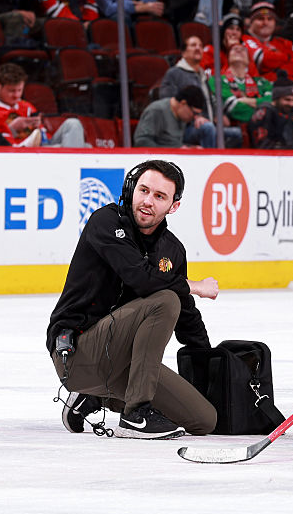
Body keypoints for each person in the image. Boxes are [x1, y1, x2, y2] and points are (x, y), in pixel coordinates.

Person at [48, 159, 219, 439]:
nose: (148, 201)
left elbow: (187, 316)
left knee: (204, 420)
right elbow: (141, 278)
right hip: (78, 353)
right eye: (143, 190)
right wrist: (195, 286)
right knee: (166, 300)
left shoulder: (172, 250)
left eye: (159, 196)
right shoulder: (105, 222)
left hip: (123, 364)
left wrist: (209, 361)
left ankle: (93, 398)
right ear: (131, 190)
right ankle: (135, 413)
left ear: (173, 206)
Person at [0, 63, 86, 147]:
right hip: (19, 153)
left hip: (43, 148)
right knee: (80, 147)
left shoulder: (26, 106)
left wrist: (39, 128)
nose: (16, 95)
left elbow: (45, 137)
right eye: (12, 91)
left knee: (73, 124)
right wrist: (12, 129)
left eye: (19, 90)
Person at [242, 1, 293, 83]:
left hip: (287, 89)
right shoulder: (244, 40)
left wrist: (272, 74)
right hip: (258, 89)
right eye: (260, 19)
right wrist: (287, 58)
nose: (265, 23)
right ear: (251, 22)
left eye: (270, 19)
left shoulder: (284, 43)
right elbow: (264, 60)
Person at [133, 85, 199, 148]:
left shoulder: (181, 114)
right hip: (158, 157)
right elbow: (141, 142)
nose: (195, 117)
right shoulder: (157, 111)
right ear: (183, 103)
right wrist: (172, 150)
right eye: (194, 113)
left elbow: (176, 144)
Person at [248, 78, 293, 149]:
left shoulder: (285, 112)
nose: (292, 104)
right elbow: (263, 145)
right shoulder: (265, 112)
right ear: (276, 98)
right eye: (287, 99)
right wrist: (292, 149)